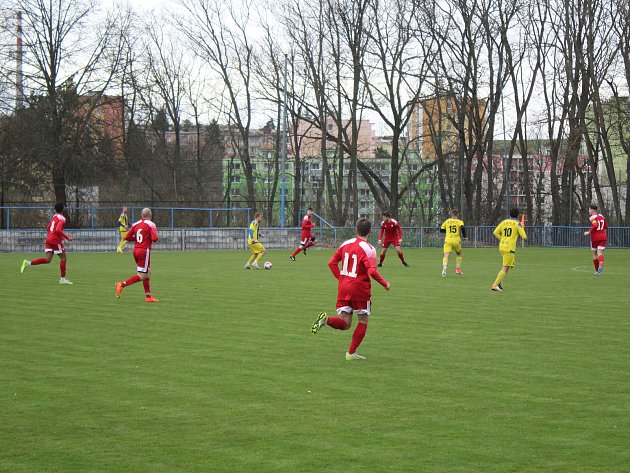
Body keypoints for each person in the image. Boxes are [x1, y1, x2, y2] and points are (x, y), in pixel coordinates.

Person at [311, 218, 391, 361]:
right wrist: (385, 284)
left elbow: (331, 263)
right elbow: (372, 271)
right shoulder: (369, 249)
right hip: (359, 288)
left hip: (344, 287)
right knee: (363, 320)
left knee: (345, 323)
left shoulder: (345, 244)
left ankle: (327, 320)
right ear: (370, 231)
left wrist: (341, 279)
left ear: (356, 230)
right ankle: (351, 353)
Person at [20, 202, 74, 284]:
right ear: (63, 209)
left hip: (49, 239)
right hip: (55, 241)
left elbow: (48, 227)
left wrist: (54, 235)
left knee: (47, 259)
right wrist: (67, 237)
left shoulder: (54, 217)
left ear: (55, 210)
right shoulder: (62, 218)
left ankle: (28, 263)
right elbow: (58, 230)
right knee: (63, 258)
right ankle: (62, 279)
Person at [115, 207, 159, 302]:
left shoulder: (136, 224)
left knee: (147, 272)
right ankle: (121, 284)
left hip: (136, 250)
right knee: (142, 276)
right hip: (144, 251)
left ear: (141, 215)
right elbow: (155, 239)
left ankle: (148, 297)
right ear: (150, 215)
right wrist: (147, 237)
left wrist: (139, 238)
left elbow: (127, 237)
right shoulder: (151, 224)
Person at [490, 208, 527, 291]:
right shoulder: (518, 224)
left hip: (502, 246)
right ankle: (495, 285)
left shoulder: (504, 222)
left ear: (510, 214)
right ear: (517, 215)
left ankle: (499, 282)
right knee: (505, 267)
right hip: (509, 248)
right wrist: (523, 229)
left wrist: (503, 239)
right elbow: (524, 237)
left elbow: (495, 232)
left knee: (509, 266)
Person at [440, 209, 467, 277]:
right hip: (456, 240)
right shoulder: (459, 221)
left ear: (451, 214)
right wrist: (465, 237)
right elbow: (463, 228)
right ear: (458, 214)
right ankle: (457, 269)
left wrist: (448, 232)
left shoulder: (447, 221)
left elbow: (441, 230)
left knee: (446, 255)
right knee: (459, 254)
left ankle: (444, 267)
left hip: (448, 240)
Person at [583, 204, 608, 275]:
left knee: (594, 254)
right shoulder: (602, 216)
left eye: (589, 209)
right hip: (603, 237)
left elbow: (595, 225)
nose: (588, 211)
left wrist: (588, 231)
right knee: (600, 252)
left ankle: (597, 271)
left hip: (595, 238)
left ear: (592, 210)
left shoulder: (592, 218)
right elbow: (606, 226)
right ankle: (601, 264)